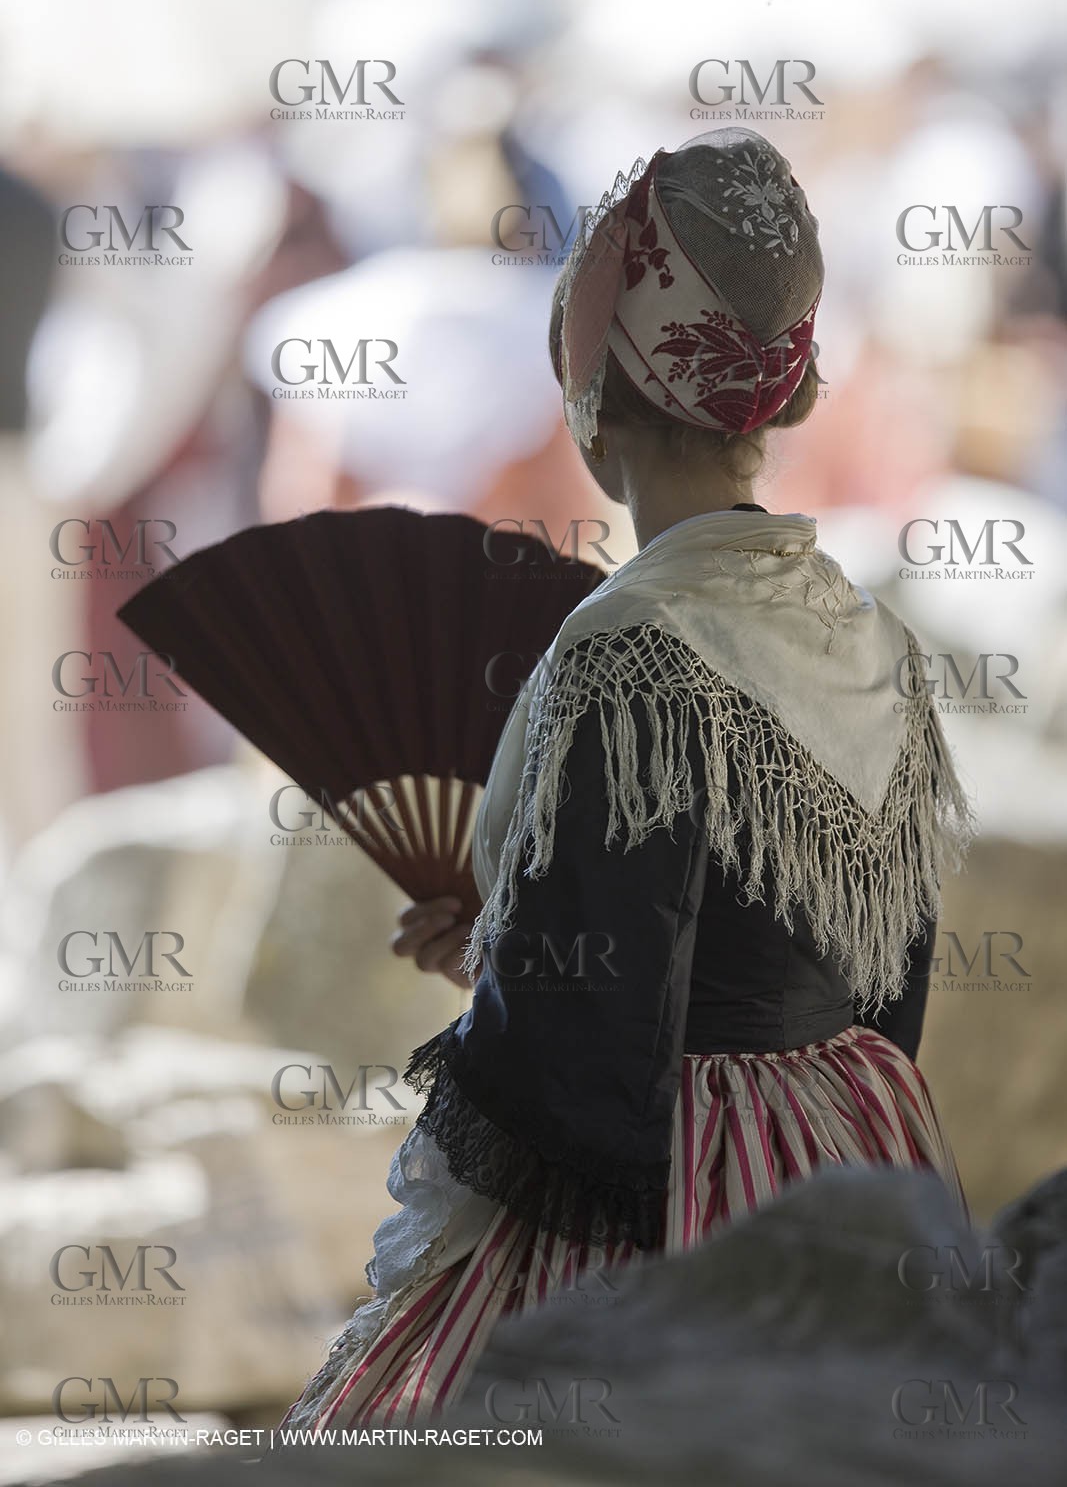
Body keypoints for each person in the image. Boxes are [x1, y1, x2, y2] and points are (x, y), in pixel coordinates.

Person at [283, 129, 972, 1430]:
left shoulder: (632, 648)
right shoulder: (865, 634)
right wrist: (511, 943)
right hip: (853, 1166)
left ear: (595, 399)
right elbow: (886, 974)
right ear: (785, 392)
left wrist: (508, 1001)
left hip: (663, 1191)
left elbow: (588, 1051)